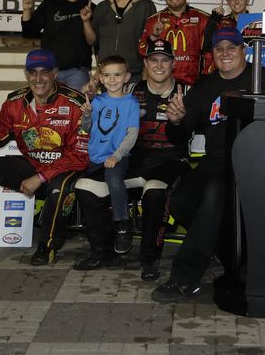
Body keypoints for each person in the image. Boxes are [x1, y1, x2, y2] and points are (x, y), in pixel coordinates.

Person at [151, 27, 265, 303]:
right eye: (219, 49)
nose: (225, 53)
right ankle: (221, 248)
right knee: (181, 201)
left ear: (244, 50)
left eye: (232, 47)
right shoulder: (205, 87)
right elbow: (178, 136)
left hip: (255, 162)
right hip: (217, 160)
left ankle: (184, 279)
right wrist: (176, 120)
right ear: (212, 55)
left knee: (214, 195)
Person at [74, 40, 191, 280]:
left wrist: (180, 121)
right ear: (146, 63)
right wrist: (90, 94)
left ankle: (149, 259)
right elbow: (108, 103)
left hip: (171, 160)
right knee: (85, 187)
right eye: (153, 60)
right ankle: (104, 249)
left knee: (155, 191)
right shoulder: (132, 91)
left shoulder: (186, 92)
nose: (159, 65)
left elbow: (193, 131)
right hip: (133, 159)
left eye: (165, 60)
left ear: (173, 63)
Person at [0, 48, 89, 267]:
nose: (38, 78)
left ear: (55, 73)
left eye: (44, 72)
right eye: (32, 72)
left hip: (66, 170)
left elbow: (79, 155)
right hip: (32, 165)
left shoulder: (75, 103)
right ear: (26, 74)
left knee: (58, 188)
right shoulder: (15, 102)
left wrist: (40, 177)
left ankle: (47, 246)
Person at [80, 55, 140, 260]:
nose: (112, 79)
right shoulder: (96, 101)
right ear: (101, 79)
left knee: (114, 179)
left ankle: (123, 225)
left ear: (127, 77)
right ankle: (98, 237)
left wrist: (117, 155)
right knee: (83, 188)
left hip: (118, 157)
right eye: (107, 75)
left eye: (117, 74)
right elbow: (86, 128)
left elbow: (132, 134)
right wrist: (86, 114)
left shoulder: (131, 103)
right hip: (95, 158)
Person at [21, 0, 92, 90]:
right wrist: (26, 10)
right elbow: (29, 32)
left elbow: (94, 41)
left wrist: (86, 21)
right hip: (50, 70)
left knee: (77, 108)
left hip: (78, 71)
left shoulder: (90, 8)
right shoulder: (49, 5)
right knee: (49, 109)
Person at [84, 0, 156, 76]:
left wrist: (146, 72)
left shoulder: (146, 6)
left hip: (134, 73)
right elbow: (91, 41)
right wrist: (86, 21)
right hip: (107, 74)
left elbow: (152, 43)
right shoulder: (103, 7)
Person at [138, 0, 210, 86]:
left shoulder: (203, 19)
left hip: (193, 85)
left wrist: (206, 80)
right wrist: (153, 36)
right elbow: (142, 50)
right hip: (162, 85)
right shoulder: (154, 19)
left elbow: (210, 54)